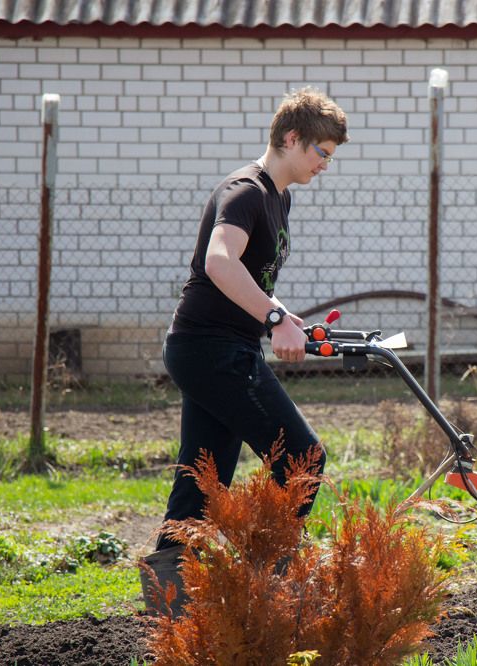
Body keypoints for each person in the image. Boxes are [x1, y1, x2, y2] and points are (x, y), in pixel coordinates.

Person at [141, 87, 348, 613]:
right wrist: (273, 317)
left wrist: (284, 313)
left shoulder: (280, 196)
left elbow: (249, 276)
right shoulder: (245, 191)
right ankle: (265, 586)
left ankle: (171, 606)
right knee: (303, 457)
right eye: (320, 152)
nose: (326, 164)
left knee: (203, 478)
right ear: (291, 137)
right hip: (210, 348)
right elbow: (219, 262)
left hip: (211, 346)